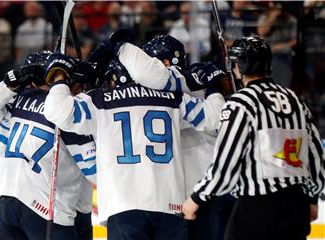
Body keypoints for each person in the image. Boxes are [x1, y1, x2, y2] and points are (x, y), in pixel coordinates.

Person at [43, 30, 225, 240]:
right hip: (170, 205)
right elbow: (216, 116)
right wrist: (214, 86)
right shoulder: (173, 98)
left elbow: (56, 111)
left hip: (124, 206)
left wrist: (59, 79)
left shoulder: (100, 101)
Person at [182, 35, 325, 240]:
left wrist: (196, 198)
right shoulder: (295, 100)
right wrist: (311, 197)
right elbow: (315, 155)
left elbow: (225, 166)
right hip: (296, 208)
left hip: (258, 210)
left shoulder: (240, 104)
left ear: (238, 67)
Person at [122, 33, 234, 240]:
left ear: (164, 62)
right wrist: (214, 87)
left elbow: (214, 117)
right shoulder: (198, 87)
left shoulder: (178, 95)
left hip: (206, 194)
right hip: (192, 196)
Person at [0, 51, 95, 240]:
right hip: (48, 206)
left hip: (5, 199)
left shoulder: (18, 100)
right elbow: (93, 167)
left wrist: (9, 84)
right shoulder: (66, 109)